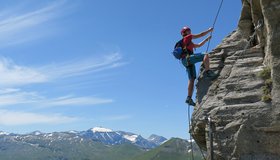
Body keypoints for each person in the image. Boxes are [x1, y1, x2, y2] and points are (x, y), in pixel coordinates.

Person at [179, 26, 218, 106]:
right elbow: (200, 35)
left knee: (192, 79)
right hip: (188, 59)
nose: (190, 32)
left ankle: (189, 98)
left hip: (185, 61)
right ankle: (208, 72)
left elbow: (199, 45)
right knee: (205, 55)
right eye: (188, 30)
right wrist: (209, 30)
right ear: (185, 33)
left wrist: (207, 39)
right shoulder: (188, 37)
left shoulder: (188, 43)